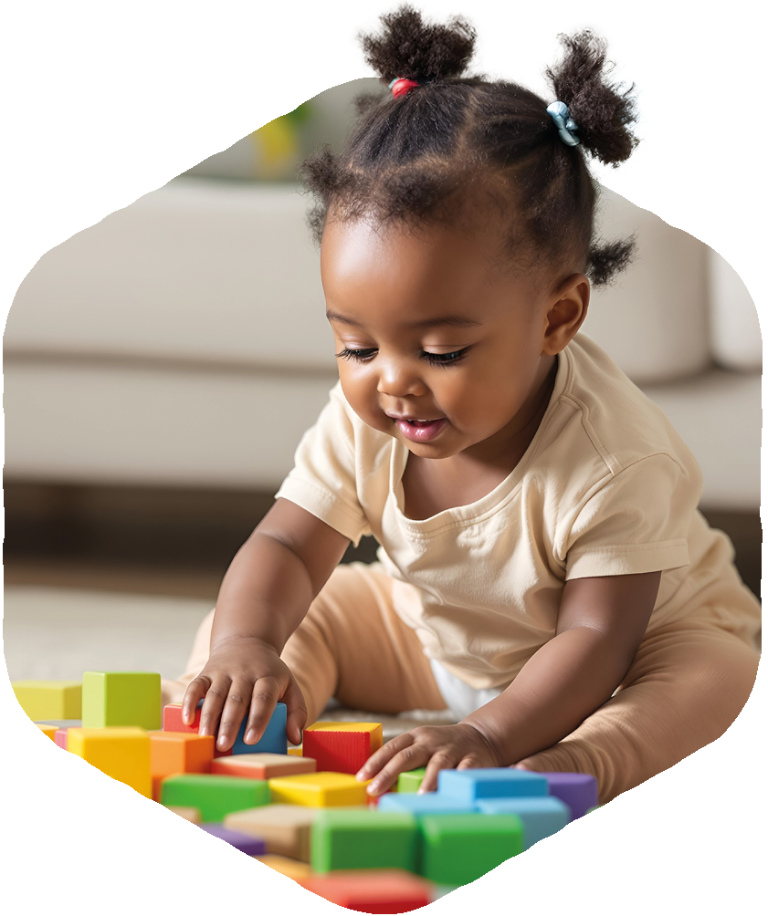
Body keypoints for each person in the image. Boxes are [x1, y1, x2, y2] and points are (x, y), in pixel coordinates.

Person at [165, 5, 761, 805]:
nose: (393, 382)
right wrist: (246, 643)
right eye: (357, 347)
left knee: (720, 679)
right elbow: (287, 545)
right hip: (431, 644)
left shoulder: (615, 458)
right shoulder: (367, 420)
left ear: (557, 318)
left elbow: (596, 636)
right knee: (269, 621)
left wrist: (491, 734)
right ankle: (245, 712)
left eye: (441, 352)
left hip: (624, 659)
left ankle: (581, 764)